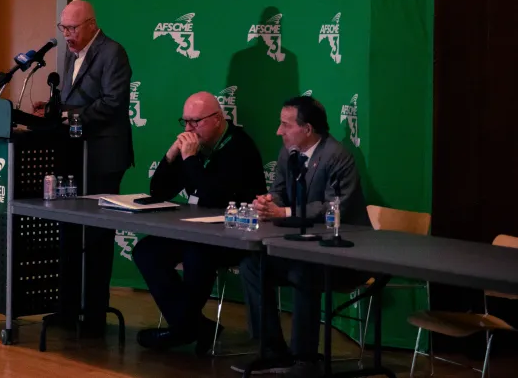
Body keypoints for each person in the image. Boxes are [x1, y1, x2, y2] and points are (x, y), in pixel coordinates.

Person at [233, 96, 370, 375]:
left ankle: (304, 360)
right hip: (302, 247)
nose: (278, 131)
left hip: (343, 254)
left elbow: (334, 207)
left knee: (303, 271)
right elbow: (279, 191)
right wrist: (268, 202)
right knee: (252, 266)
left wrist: (283, 212)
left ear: (307, 129)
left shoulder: (337, 156)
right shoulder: (289, 152)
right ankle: (273, 352)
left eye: (286, 125)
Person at [133, 92, 266, 353]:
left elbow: (213, 196)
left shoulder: (239, 148)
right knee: (147, 252)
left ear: (217, 119)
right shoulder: (195, 146)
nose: (188, 129)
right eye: (185, 122)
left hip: (235, 233)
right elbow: (159, 191)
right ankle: (194, 326)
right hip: (195, 231)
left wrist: (191, 159)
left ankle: (182, 329)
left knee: (197, 255)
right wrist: (171, 155)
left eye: (196, 122)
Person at [37, 0, 134, 336]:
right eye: (63, 28)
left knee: (96, 237)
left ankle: (94, 314)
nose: (67, 34)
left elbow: (113, 102)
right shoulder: (69, 53)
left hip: (103, 157)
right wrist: (53, 109)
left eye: (73, 28)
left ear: (92, 25)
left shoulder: (112, 53)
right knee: (68, 231)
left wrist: (69, 115)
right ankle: (67, 309)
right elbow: (73, 99)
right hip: (74, 154)